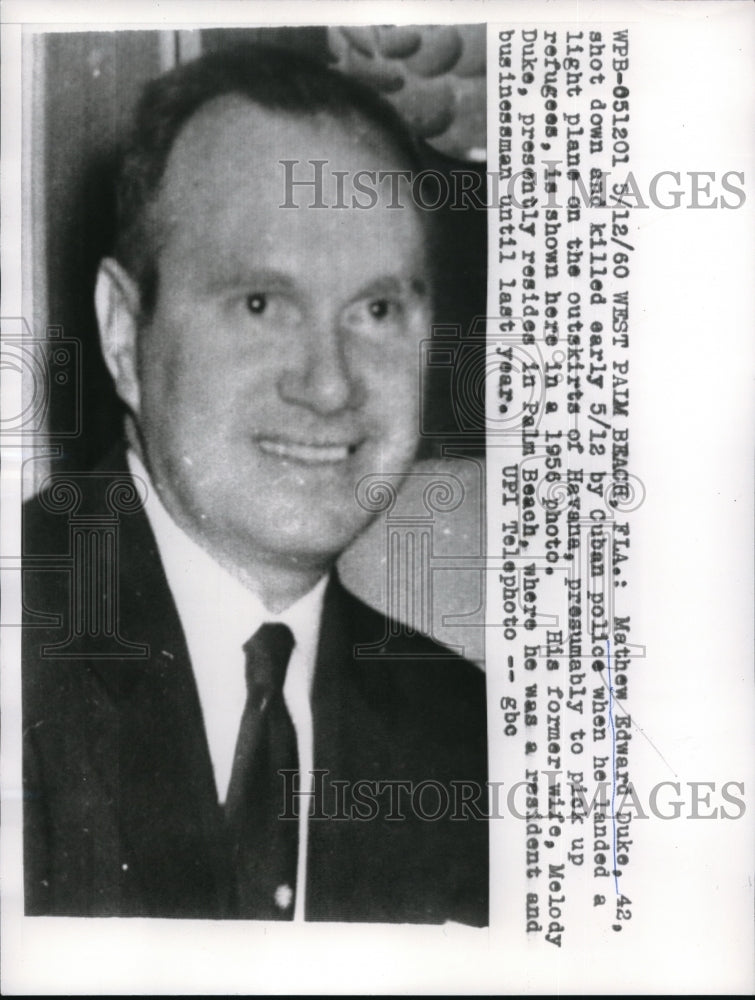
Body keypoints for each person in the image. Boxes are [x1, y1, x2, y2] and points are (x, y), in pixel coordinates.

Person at [22, 43, 488, 924]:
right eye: (260, 304)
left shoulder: (466, 738)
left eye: (377, 310)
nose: (327, 384)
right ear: (124, 335)